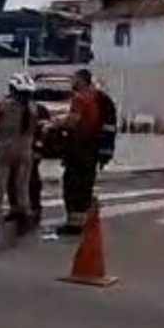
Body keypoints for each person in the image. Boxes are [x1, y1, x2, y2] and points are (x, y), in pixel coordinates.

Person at [0, 74, 39, 238]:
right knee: (22, 186)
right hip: (25, 151)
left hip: (4, 150)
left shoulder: (3, 106)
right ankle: (25, 215)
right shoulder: (34, 108)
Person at [53, 69, 103, 237]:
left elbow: (74, 121)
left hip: (78, 147)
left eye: (74, 79)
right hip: (92, 147)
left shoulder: (79, 98)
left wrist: (57, 123)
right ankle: (83, 221)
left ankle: (73, 224)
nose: (72, 82)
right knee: (84, 186)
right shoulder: (94, 97)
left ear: (81, 80)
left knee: (72, 185)